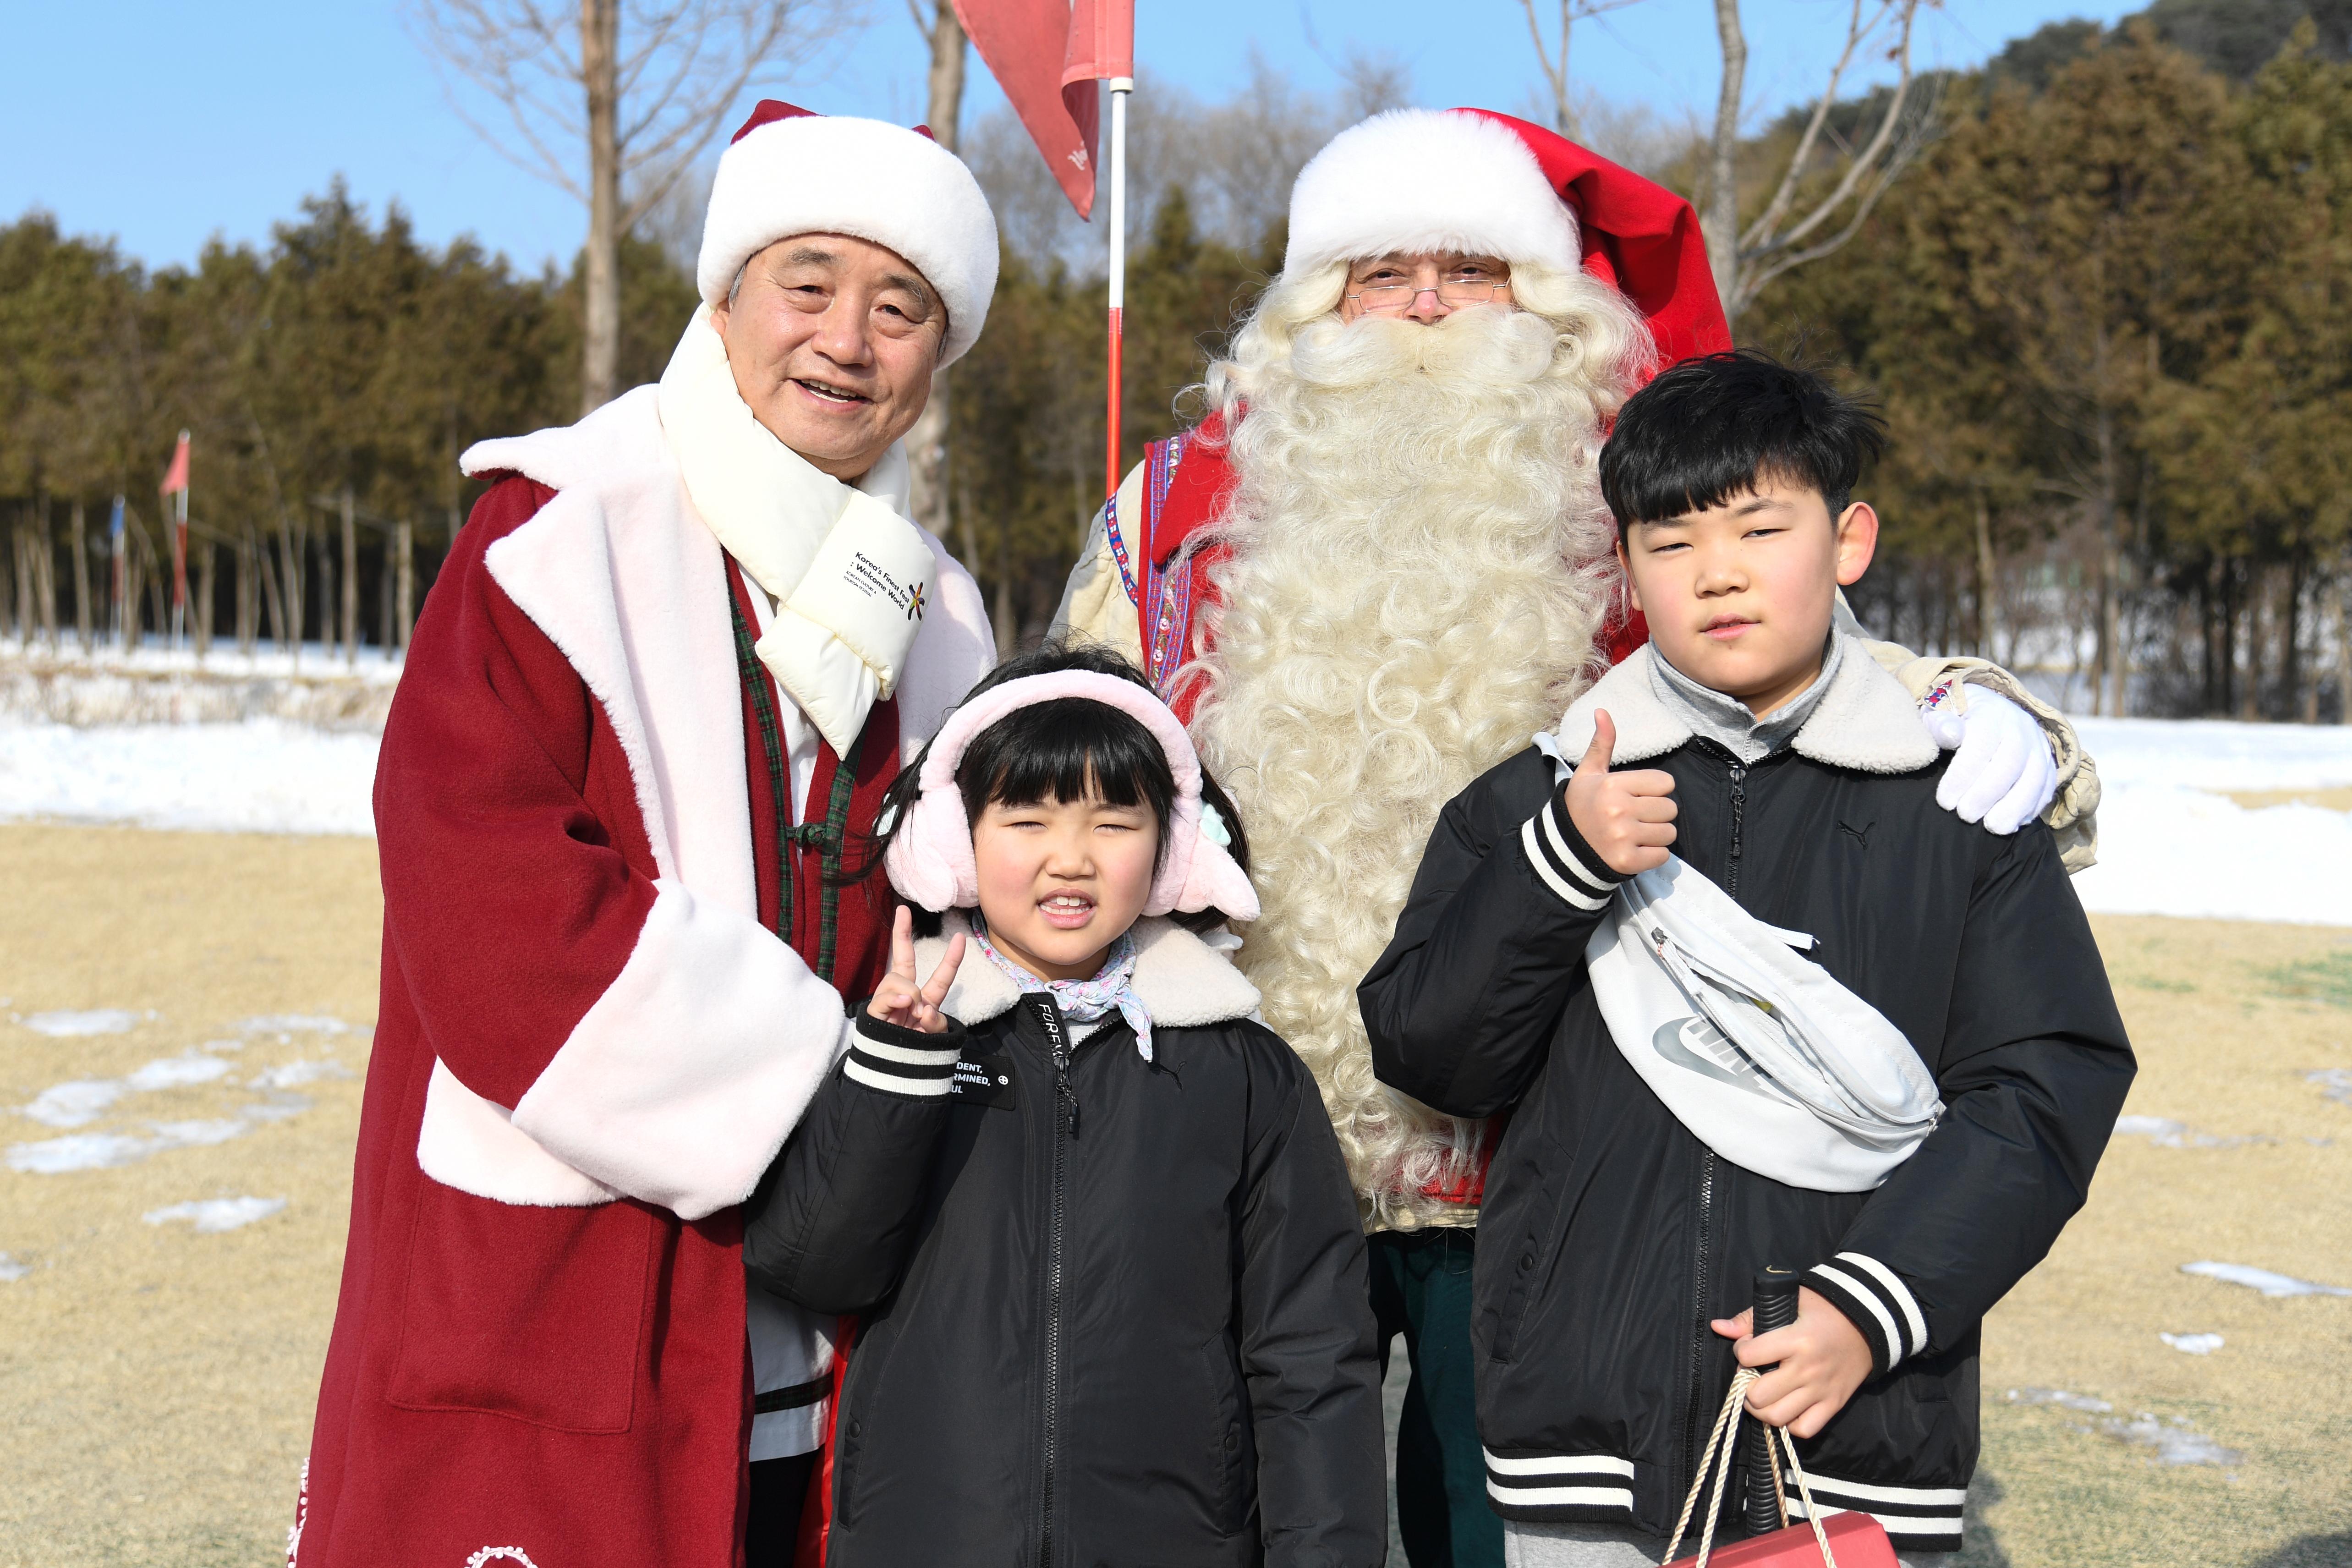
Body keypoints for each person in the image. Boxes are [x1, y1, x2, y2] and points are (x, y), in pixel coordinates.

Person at [1052, 105, 2101, 1568]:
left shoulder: (1620, 499)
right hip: (1241, 1124)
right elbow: (1060, 746)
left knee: (1505, 1522)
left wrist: (1971, 707)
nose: (1421, 304)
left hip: (1545, 1153)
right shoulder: (1168, 509)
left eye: (1468, 269)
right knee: (1228, 1507)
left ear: (1543, 299)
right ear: (1309, 306)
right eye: (1376, 273)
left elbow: (1798, 657)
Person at [290, 103, 1000, 1567]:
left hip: (829, 1290)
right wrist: (826, 1080)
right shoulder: (555, 533)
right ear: (724, 297)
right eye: (805, 284)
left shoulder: (938, 608)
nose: (845, 341)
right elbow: (485, 892)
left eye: (899, 306)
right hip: (567, 1251)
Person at [1359, 351, 2136, 1565]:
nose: (1715, 572)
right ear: (1625, 569)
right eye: (1668, 542)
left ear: (1848, 539)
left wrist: (1867, 1308)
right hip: (1579, 1436)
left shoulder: (1952, 808)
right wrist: (1558, 864)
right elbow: (1428, 1049)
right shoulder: (1536, 793)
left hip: (1849, 1415)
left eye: (1759, 527)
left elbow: (2042, 1088)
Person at [739, 642, 1388, 1568]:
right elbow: (814, 1266)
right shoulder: (899, 1037)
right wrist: (895, 1073)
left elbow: (1312, 1356)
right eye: (1027, 819)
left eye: (1112, 821)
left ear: (1171, 847)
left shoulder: (1243, 1075)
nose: (1069, 860)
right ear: (954, 842)